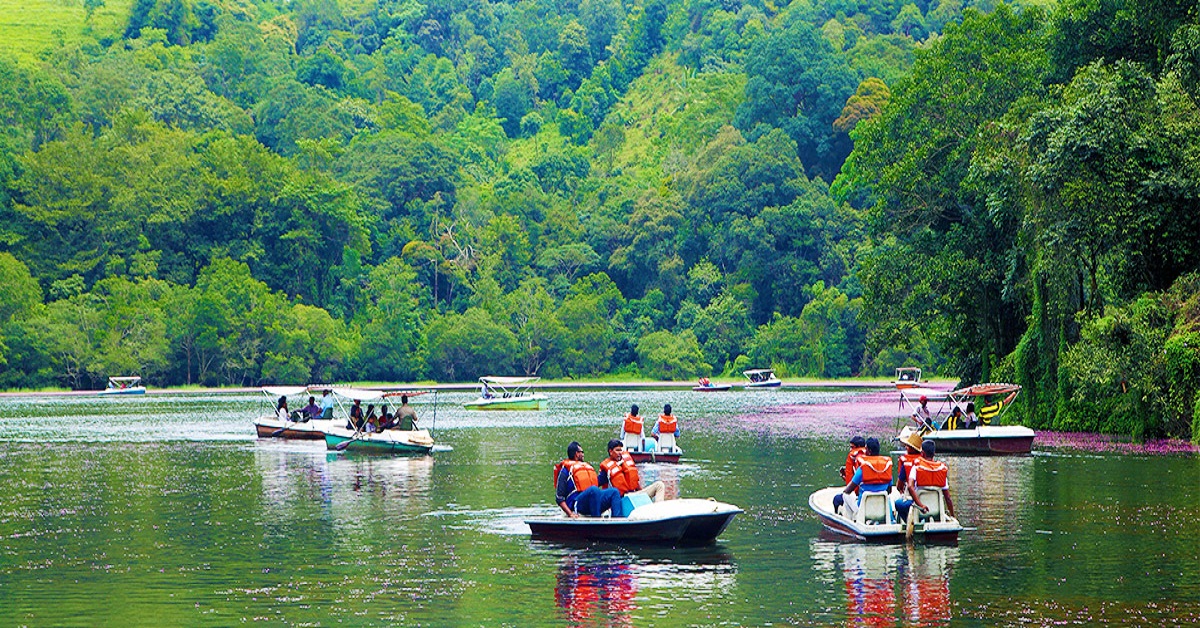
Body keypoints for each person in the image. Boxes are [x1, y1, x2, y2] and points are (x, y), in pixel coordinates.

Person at [555, 442, 624, 518]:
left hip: (593, 499)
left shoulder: (586, 466)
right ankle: (597, 521)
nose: (583, 454)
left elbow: (599, 481)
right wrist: (570, 514)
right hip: (577, 504)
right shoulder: (565, 471)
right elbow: (559, 498)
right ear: (577, 454)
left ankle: (617, 522)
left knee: (614, 492)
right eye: (582, 452)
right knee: (594, 490)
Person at [833, 437, 894, 520]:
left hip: (863, 510)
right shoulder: (887, 467)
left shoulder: (862, 468)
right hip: (883, 511)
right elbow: (889, 490)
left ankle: (852, 519)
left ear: (869, 450)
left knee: (844, 495)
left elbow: (848, 491)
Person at [897, 440, 956, 524]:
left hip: (920, 508)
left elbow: (910, 486)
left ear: (922, 453)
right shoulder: (941, 470)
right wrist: (952, 516)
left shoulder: (916, 467)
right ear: (934, 453)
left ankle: (909, 522)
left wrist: (920, 505)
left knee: (898, 503)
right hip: (936, 509)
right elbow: (948, 498)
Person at [599, 439, 666, 503]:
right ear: (610, 452)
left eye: (620, 450)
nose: (620, 453)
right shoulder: (606, 470)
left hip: (635, 495)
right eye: (617, 450)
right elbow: (597, 483)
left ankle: (658, 508)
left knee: (659, 485)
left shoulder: (625, 462)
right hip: (624, 498)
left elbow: (635, 483)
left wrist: (644, 495)